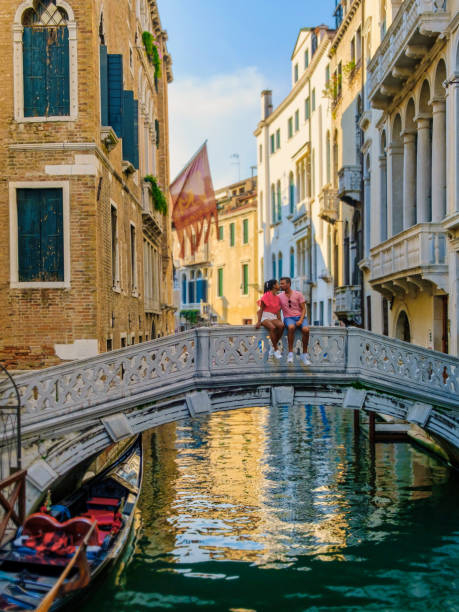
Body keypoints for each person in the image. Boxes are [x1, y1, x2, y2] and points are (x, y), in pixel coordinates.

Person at [278, 277, 311, 365]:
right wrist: (280, 321)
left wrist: (300, 320)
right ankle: (290, 353)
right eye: (280, 283)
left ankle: (304, 354)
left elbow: (304, 309)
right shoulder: (279, 296)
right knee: (291, 327)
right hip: (288, 318)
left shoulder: (298, 294)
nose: (280, 285)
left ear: (288, 284)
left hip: (300, 317)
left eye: (282, 284)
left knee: (306, 330)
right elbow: (278, 310)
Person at [255, 279, 284, 359]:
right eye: (278, 283)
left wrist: (280, 321)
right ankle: (276, 349)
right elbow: (261, 310)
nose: (279, 285)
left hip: (273, 316)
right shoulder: (266, 296)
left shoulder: (277, 298)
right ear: (274, 286)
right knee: (273, 328)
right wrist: (258, 321)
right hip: (265, 316)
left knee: (281, 326)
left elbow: (278, 312)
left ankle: (272, 346)